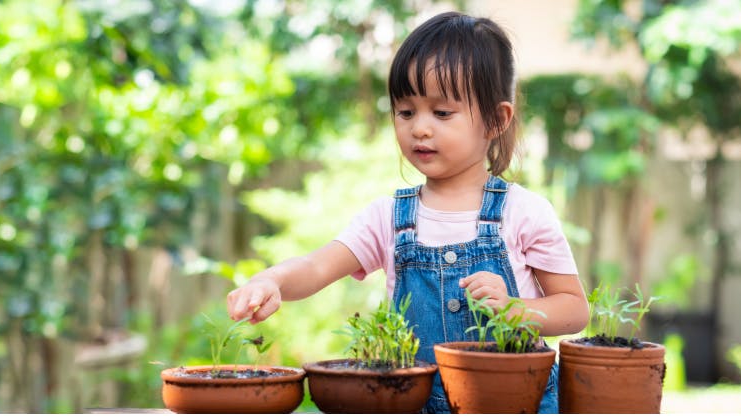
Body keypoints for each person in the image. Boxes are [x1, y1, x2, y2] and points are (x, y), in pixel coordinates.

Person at [226, 11, 589, 413]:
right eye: (406, 111)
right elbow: (316, 267)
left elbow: (573, 309)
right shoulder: (389, 218)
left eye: (442, 112)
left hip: (514, 404)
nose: (420, 128)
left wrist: (513, 309)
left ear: (495, 120)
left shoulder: (524, 212)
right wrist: (271, 280)